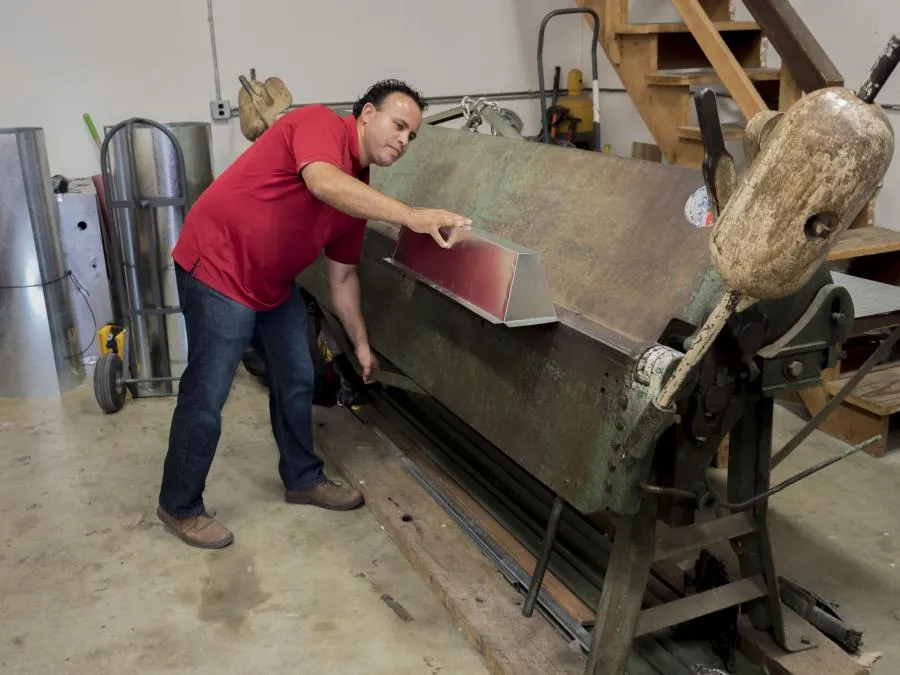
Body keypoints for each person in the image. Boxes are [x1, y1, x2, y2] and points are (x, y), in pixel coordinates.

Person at [156, 79, 471, 549]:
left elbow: (343, 278)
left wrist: (362, 344)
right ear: (366, 114)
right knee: (208, 392)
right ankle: (179, 505)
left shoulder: (358, 193)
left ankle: (302, 478)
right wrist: (411, 215)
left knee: (297, 375)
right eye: (399, 125)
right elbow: (322, 182)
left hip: (270, 284)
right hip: (217, 268)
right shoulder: (318, 122)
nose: (404, 140)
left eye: (412, 136)